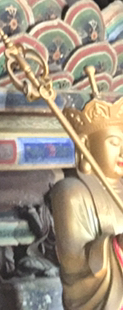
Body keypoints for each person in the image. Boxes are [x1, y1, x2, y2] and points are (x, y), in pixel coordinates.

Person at [50, 95, 123, 310]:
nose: (122, 152)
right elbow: (74, 264)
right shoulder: (71, 193)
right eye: (115, 142)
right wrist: (116, 246)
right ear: (86, 144)